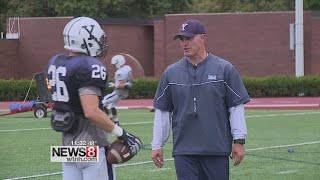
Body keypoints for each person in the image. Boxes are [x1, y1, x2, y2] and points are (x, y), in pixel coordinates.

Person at [151, 19, 250, 180]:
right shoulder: (171, 73)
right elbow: (162, 110)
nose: (184, 43)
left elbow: (236, 107)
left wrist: (239, 140)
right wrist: (157, 144)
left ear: (202, 37)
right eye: (181, 40)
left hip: (216, 150)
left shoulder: (225, 69)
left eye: (189, 38)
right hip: (184, 151)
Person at [47, 16, 142, 180]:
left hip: (67, 146)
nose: (100, 42)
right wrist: (122, 133)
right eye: (97, 38)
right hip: (91, 144)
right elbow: (91, 111)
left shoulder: (56, 61)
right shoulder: (89, 66)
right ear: (86, 40)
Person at [101, 54, 133, 125]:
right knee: (112, 105)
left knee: (102, 102)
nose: (115, 65)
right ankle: (116, 121)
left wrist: (114, 85)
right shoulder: (128, 68)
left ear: (119, 62)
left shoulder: (120, 72)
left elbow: (121, 85)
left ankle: (108, 120)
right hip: (125, 92)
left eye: (115, 63)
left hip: (119, 92)